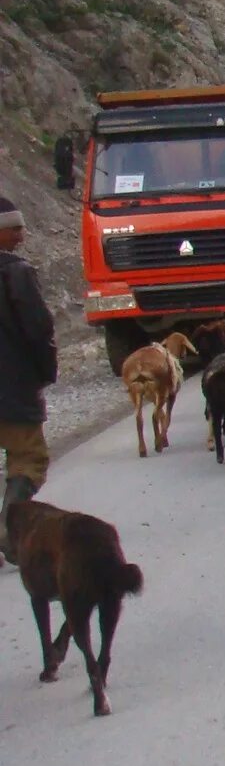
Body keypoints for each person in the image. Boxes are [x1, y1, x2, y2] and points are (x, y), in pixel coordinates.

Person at [0, 195, 57, 559]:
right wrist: (44, 372)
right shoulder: (16, 274)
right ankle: (9, 531)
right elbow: (38, 329)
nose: (22, 233)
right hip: (12, 388)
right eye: (14, 228)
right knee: (27, 458)